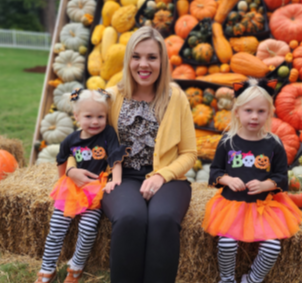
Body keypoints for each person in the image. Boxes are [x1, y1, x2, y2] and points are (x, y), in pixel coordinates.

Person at [71, 26, 197, 283]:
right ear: (128, 59)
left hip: (168, 179)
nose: (144, 64)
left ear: (163, 61)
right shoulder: (111, 95)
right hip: (121, 176)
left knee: (162, 219)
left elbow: (189, 153)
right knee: (130, 218)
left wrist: (162, 176)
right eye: (136, 56)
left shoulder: (176, 98)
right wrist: (72, 168)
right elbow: (82, 139)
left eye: (152, 57)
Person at [202, 79, 302, 283]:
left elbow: (282, 177)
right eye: (248, 110)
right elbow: (214, 173)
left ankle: (252, 279)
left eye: (261, 111)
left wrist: (268, 184)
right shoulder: (227, 141)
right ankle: (227, 278)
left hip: (263, 207)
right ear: (237, 111)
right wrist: (227, 179)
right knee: (226, 244)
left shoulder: (274, 143)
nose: (255, 116)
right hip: (231, 205)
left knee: (273, 247)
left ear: (270, 113)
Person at [35, 89, 121, 283]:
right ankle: (47, 269)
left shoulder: (108, 133)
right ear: (76, 117)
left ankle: (76, 267)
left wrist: (115, 180)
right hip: (73, 188)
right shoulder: (71, 139)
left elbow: (116, 156)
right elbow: (61, 159)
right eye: (88, 116)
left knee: (89, 228)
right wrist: (62, 180)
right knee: (56, 227)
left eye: (101, 116)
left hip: (95, 188)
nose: (95, 121)